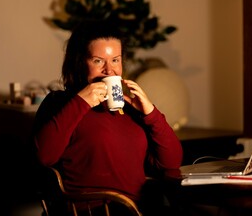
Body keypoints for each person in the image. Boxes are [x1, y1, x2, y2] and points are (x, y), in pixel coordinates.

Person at [32, 20, 183, 215]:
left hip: (135, 209)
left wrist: (150, 113)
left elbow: (171, 163)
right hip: (92, 211)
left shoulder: (130, 109)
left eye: (115, 60)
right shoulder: (60, 102)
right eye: (98, 61)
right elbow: (43, 157)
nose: (109, 70)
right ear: (79, 62)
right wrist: (81, 102)